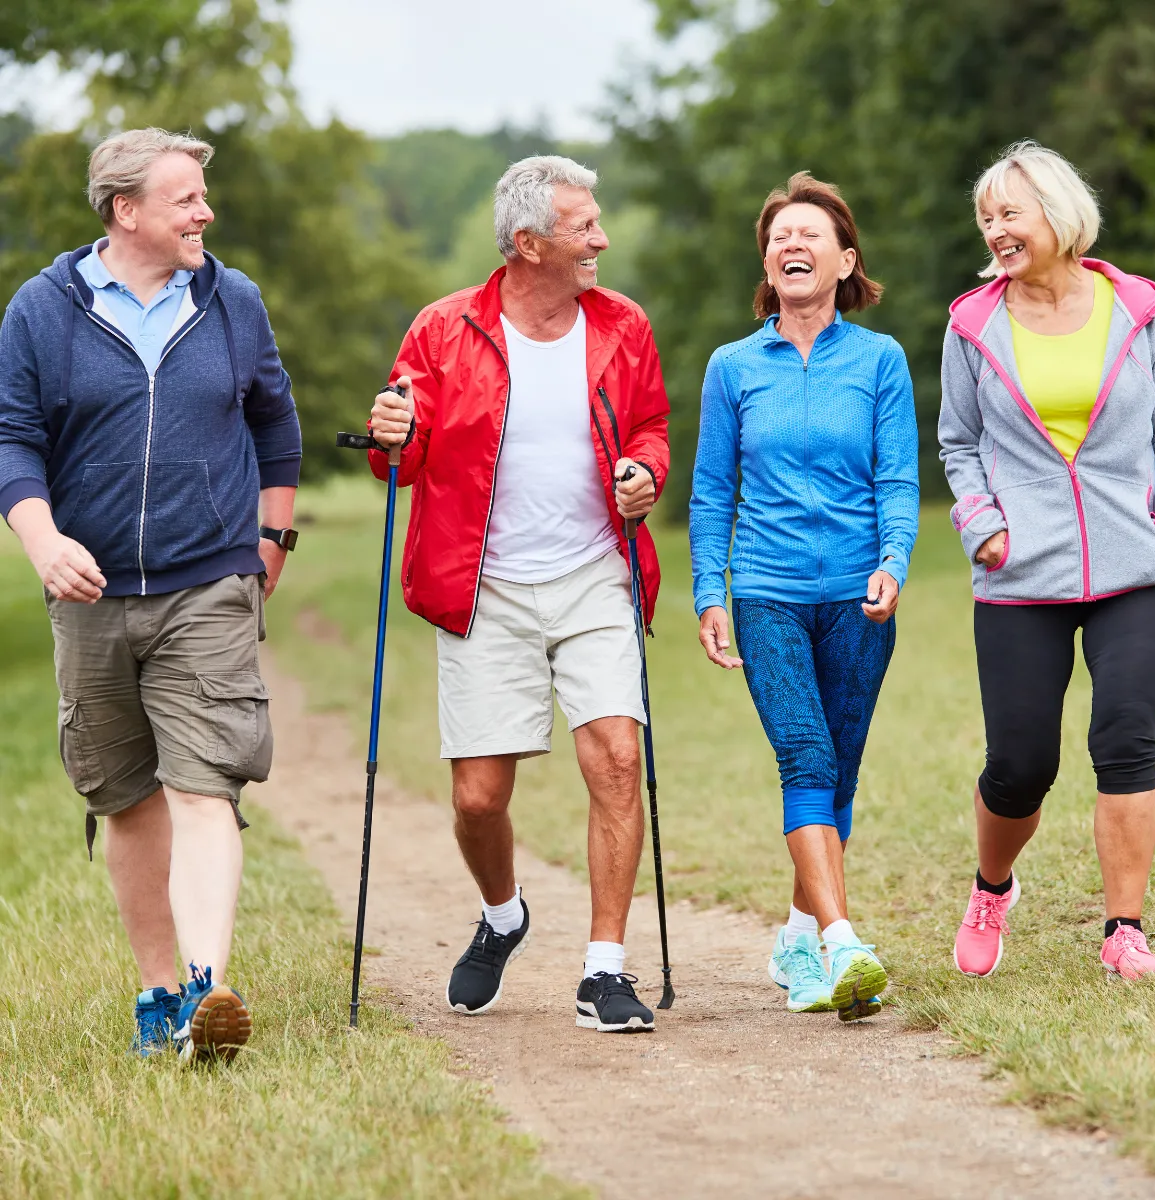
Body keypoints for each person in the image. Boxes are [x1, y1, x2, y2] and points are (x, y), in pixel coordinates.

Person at [0, 128, 303, 1059]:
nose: (205, 213)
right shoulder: (42, 311)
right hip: (87, 596)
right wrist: (42, 540)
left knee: (205, 784)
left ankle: (211, 989)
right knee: (126, 795)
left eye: (203, 197)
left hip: (206, 580)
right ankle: (161, 995)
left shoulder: (230, 299)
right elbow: (13, 440)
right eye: (186, 200)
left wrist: (268, 544)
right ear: (125, 209)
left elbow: (274, 422)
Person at [367, 156, 670, 1033]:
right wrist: (394, 431)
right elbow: (404, 457)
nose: (601, 239)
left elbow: (649, 426)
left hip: (593, 576)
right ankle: (503, 916)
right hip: (482, 587)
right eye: (585, 227)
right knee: (478, 800)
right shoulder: (441, 330)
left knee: (617, 754)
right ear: (528, 243)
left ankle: (604, 970)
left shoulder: (622, 326)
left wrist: (644, 474)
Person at [939, 141, 1155, 980]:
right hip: (1021, 571)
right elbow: (959, 440)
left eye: (1010, 213)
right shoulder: (972, 324)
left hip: (1137, 562)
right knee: (1020, 765)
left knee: (1126, 741)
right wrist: (982, 525)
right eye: (987, 218)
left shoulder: (1139, 311)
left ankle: (1124, 929)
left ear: (1057, 212)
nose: (997, 229)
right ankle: (992, 886)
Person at [689, 172, 919, 1021]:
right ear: (767, 260)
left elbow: (898, 477)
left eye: (810, 234)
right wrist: (708, 590)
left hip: (861, 595)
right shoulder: (732, 366)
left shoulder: (880, 360)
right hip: (768, 591)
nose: (792, 244)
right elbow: (713, 491)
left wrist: (894, 559)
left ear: (845, 260)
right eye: (779, 234)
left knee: (840, 772)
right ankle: (843, 941)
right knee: (805, 757)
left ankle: (797, 935)